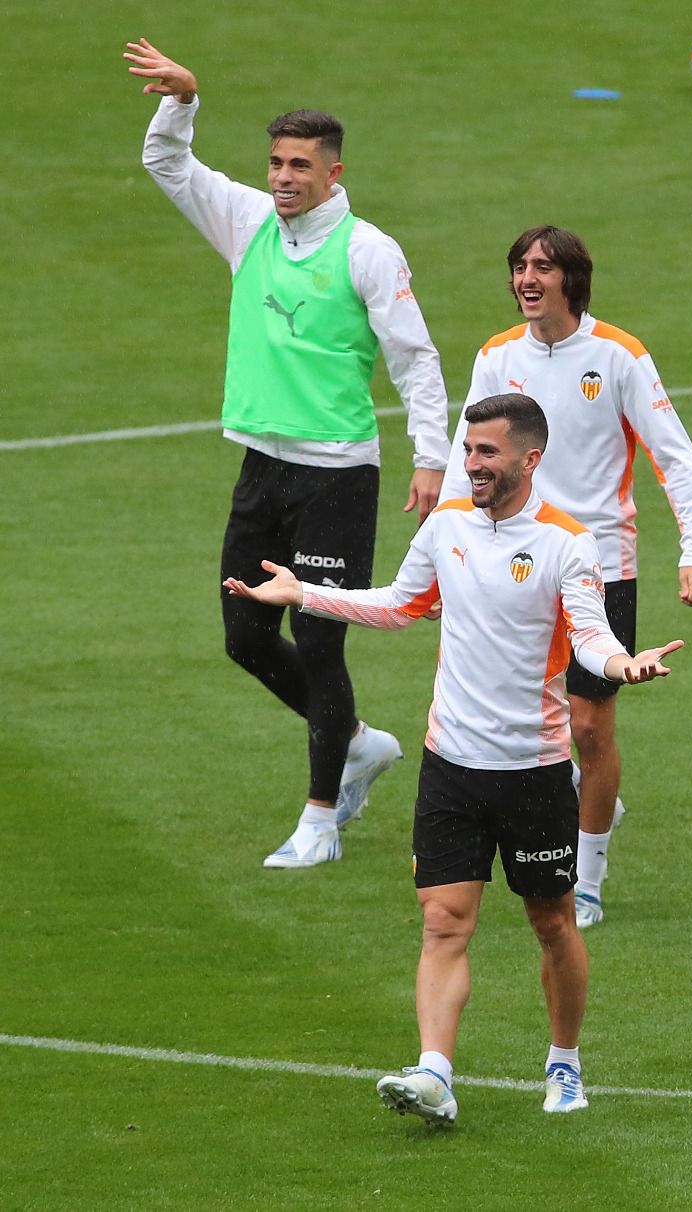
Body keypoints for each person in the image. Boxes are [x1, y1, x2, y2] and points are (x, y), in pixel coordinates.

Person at [226, 394, 686, 1122]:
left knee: (552, 923)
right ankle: (435, 1072)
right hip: (450, 765)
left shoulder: (567, 542)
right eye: (468, 451)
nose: (470, 464)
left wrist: (623, 664)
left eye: (486, 453)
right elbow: (401, 605)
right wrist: (304, 594)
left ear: (529, 459)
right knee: (443, 922)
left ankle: (564, 1063)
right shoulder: (445, 526)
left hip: (534, 769)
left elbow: (590, 634)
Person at [125, 39, 452, 867]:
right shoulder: (246, 223)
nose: (281, 177)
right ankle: (358, 743)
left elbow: (414, 357)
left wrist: (430, 456)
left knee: (319, 639)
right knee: (243, 636)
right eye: (274, 161)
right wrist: (185, 98)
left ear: (333, 173)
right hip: (261, 468)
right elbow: (165, 161)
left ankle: (318, 821)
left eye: (299, 165)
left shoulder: (370, 251)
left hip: (337, 473)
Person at [439, 226, 692, 927]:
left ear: (572, 279)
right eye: (519, 267)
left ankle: (585, 878)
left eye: (542, 267)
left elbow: (672, 454)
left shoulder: (618, 356)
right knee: (535, 720)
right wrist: (445, 555)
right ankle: (583, 812)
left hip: (599, 563)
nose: (526, 278)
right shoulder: (498, 356)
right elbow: (463, 457)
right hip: (510, 561)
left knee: (589, 726)